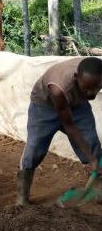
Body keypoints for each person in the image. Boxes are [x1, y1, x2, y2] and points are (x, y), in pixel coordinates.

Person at [17, 57, 102, 206]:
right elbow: (70, 125)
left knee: (91, 141)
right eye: (87, 88)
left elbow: (88, 89)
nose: (92, 92)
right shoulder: (58, 87)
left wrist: (93, 157)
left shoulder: (94, 73)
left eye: (97, 87)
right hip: (45, 105)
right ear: (76, 77)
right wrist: (92, 159)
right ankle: (22, 197)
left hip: (77, 104)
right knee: (35, 148)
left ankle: (97, 188)